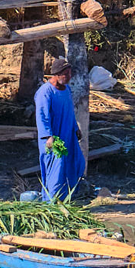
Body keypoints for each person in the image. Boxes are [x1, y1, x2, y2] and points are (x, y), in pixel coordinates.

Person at [35, 57, 86, 201]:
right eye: (66, 74)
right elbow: (42, 116)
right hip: (53, 138)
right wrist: (47, 137)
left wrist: (76, 127)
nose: (69, 77)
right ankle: (53, 202)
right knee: (56, 171)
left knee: (76, 163)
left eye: (70, 74)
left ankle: (68, 196)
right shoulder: (45, 92)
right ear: (56, 74)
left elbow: (69, 110)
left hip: (68, 136)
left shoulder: (67, 89)